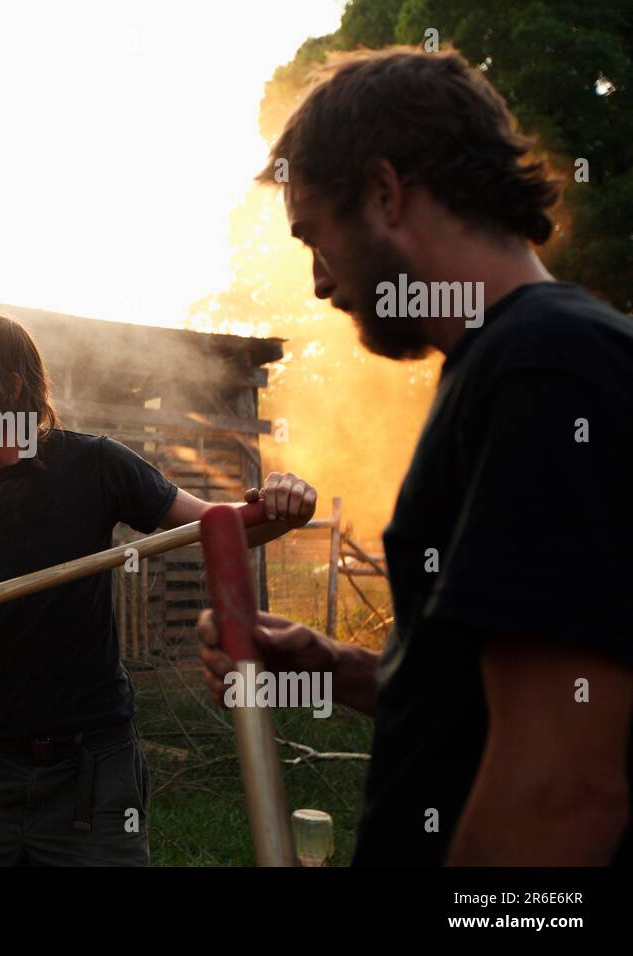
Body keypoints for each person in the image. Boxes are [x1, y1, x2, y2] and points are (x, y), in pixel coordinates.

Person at [198, 46, 633, 865]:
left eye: (315, 238)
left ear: (385, 192)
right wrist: (338, 667)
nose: (321, 283)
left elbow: (561, 788)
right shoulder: (514, 366)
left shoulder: (545, 368)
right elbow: (490, 701)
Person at [0, 310, 316, 865]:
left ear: (10, 386)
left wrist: (284, 508)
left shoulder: (94, 463)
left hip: (94, 766)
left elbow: (222, 528)